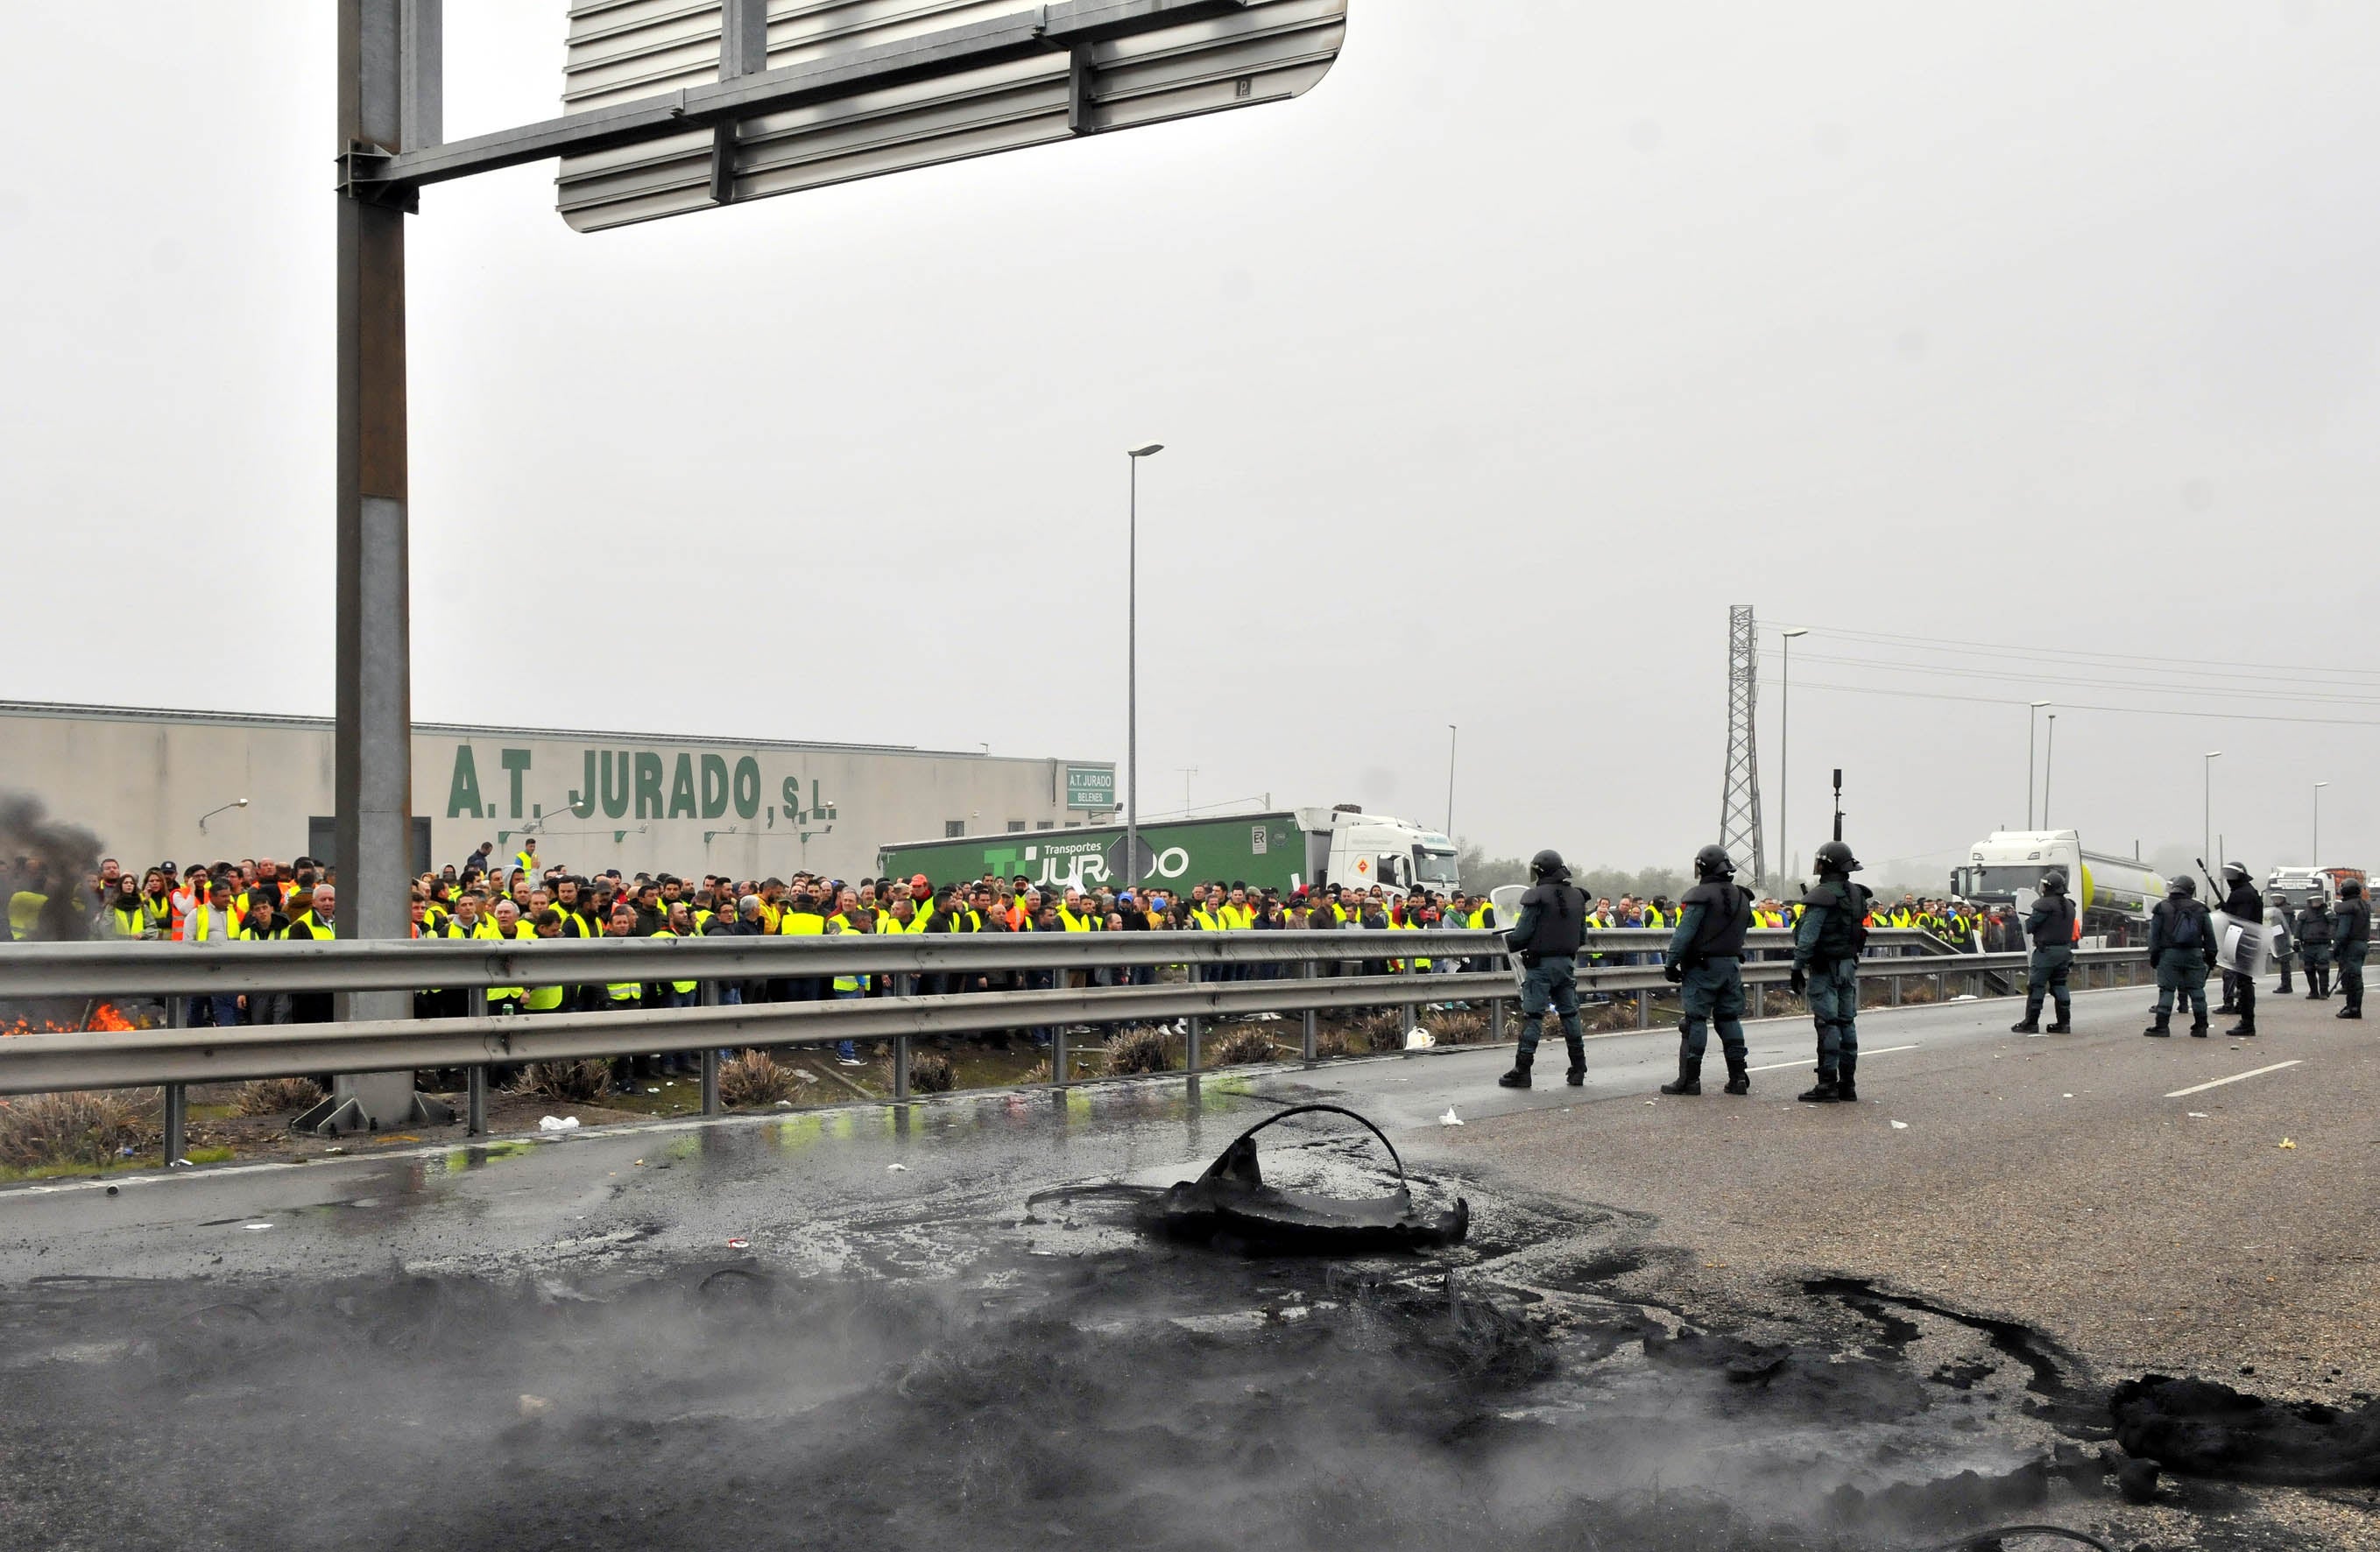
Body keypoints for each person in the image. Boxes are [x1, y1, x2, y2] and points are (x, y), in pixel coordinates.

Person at [1661, 843, 1754, 1097]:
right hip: (1731, 965)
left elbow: (1684, 933)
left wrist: (1670, 963)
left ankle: (1690, 1081)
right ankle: (1738, 1078)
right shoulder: (1742, 896)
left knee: (1695, 1020)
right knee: (1729, 1019)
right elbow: (1746, 925)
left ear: (1702, 867)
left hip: (1702, 967)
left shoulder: (1700, 896)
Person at [1495, 850, 1588, 1090]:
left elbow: (1522, 934)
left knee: (1533, 1016)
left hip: (1540, 966)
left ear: (1540, 871)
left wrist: (1510, 941)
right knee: (1570, 1014)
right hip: (1566, 964)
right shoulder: (1578, 896)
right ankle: (1579, 1068)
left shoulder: (1535, 896)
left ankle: (1522, 1070)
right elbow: (1582, 937)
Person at [1789, 839, 1873, 1103]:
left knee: (1828, 1024)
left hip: (1825, 967)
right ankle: (1848, 1084)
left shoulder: (1823, 894)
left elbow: (1808, 936)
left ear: (1827, 865)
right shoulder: (1857, 893)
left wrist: (1797, 966)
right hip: (1848, 966)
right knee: (1847, 1022)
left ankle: (1827, 1084)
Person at [2142, 874, 2216, 1038]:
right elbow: (2210, 936)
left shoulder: (2162, 907)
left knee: (2167, 990)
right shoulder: (2201, 909)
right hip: (2194, 953)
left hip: (2169, 954)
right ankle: (2201, 1026)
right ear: (2191, 890)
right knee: (2197, 990)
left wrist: (2154, 956)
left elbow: (2154, 936)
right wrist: (2211, 956)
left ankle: (2162, 1027)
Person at [2010, 868, 2077, 1034]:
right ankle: (2064, 1023)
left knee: (2036, 986)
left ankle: (2031, 1022)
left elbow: (2030, 926)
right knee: (2060, 985)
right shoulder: (2069, 905)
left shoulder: (2044, 905)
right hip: (2065, 951)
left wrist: (2025, 919)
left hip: (2046, 952)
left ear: (2048, 886)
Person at [2212, 862, 2262, 1037]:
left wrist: (2227, 913)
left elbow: (2240, 921)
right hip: (2249, 941)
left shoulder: (2242, 894)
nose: (2229, 879)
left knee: (2244, 984)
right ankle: (2245, 1018)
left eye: (2231, 876)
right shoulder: (2247, 891)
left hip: (2242, 941)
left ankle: (2247, 1022)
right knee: (2244, 983)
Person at [2334, 878, 2369, 1020]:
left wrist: (2336, 947)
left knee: (2352, 977)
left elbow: (2343, 931)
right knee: (2354, 976)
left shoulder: (2347, 907)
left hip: (2351, 945)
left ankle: (2353, 1008)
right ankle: (2351, 1006)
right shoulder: (2364, 905)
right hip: (2362, 943)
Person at [2295, 894, 2334, 1000]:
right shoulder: (2304, 914)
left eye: (2318, 900)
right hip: (2308, 944)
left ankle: (2323, 992)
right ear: (2310, 902)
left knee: (2323, 967)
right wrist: (2296, 940)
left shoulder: (2327, 912)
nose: (2317, 902)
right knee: (2308, 968)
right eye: (2314, 901)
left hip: (2322, 943)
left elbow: (2334, 924)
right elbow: (2298, 928)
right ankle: (2313, 992)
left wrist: (2331, 937)